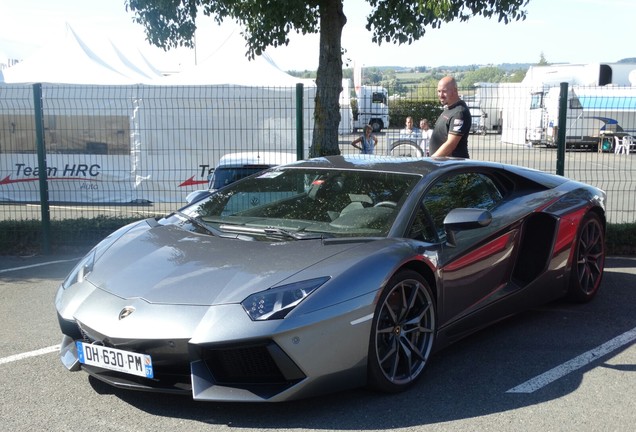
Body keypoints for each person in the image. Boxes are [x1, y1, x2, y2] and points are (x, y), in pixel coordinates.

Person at [429, 76, 471, 158]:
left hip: (453, 167)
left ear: (455, 91)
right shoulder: (450, 108)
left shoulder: (459, 113)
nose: (441, 95)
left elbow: (451, 145)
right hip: (443, 164)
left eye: (444, 91)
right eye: (439, 91)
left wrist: (431, 161)